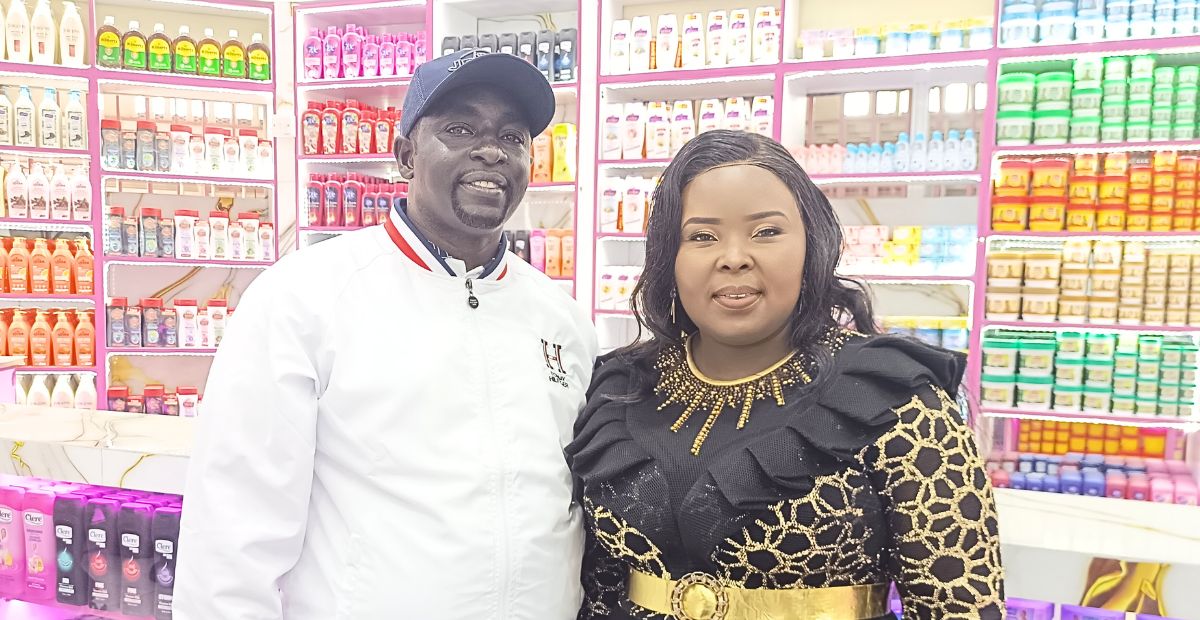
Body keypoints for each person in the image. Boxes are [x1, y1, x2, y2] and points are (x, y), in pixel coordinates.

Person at [174, 49, 597, 619]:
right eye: (459, 129)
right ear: (405, 156)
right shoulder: (305, 298)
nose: (492, 151)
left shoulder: (561, 318)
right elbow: (231, 533)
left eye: (513, 137)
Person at [567, 130, 1004, 620]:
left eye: (766, 232)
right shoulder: (621, 391)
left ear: (811, 244)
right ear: (669, 256)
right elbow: (593, 587)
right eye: (702, 236)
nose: (734, 257)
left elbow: (959, 604)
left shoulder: (892, 399)